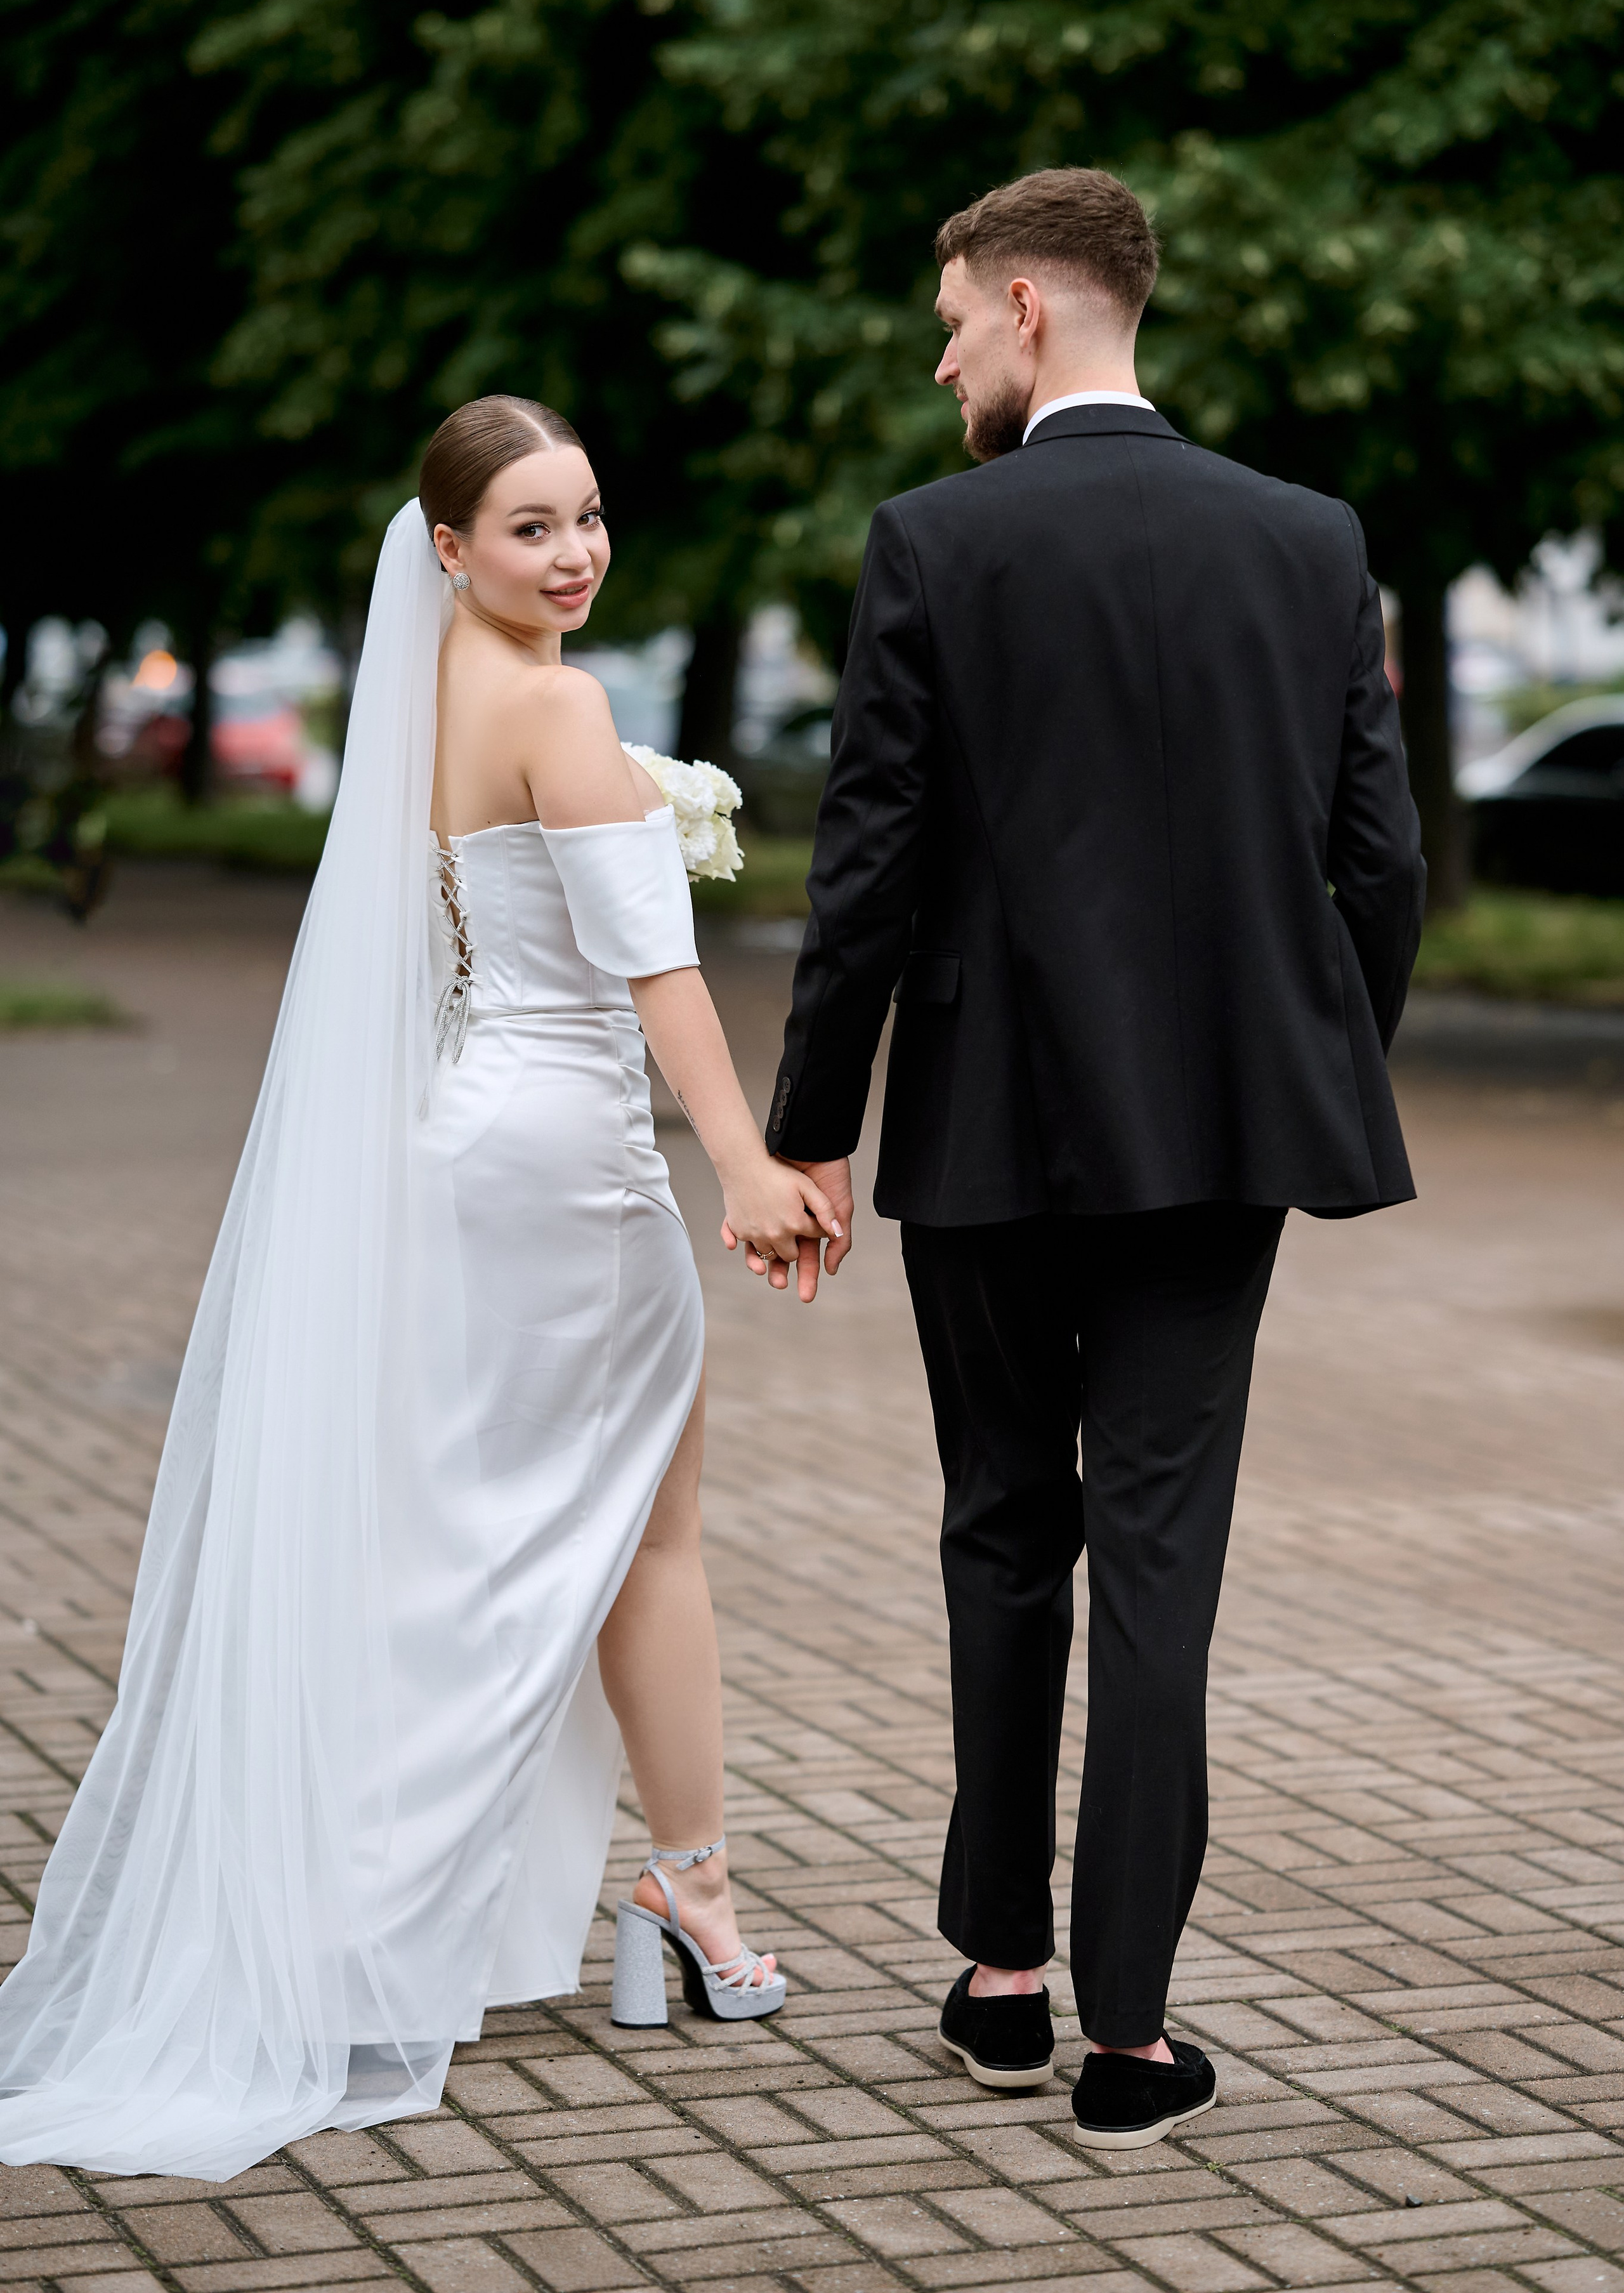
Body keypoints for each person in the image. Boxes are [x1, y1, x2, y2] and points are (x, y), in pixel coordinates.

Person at [0, 396, 838, 2181]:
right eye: (533, 527)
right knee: (646, 1535)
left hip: (468, 1139)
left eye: (591, 516)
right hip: (575, 1170)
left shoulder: (433, 689)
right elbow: (655, 968)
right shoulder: (555, 700)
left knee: (487, 1534)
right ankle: (680, 1892)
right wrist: (750, 1165)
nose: (578, 552)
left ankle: (446, 1902)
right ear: (447, 545)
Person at [766, 168, 1424, 2150]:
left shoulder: (934, 543)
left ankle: (997, 1972)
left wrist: (809, 1129)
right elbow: (1375, 864)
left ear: (1037, 307)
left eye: (956, 319)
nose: (945, 355)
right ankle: (1133, 2037)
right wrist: (1302, 1065)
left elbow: (866, 867)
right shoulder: (1310, 544)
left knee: (999, 1530)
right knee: (1159, 1565)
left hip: (980, 1125)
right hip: (1220, 1141)